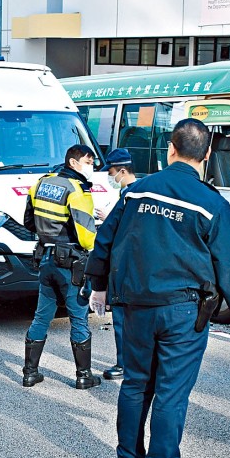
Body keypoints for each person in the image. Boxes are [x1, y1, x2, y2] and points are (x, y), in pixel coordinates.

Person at [86, 119, 230, 458]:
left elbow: (104, 241)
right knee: (171, 389)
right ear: (207, 154)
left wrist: (98, 287)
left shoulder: (136, 193)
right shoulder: (212, 203)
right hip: (184, 311)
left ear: (170, 150)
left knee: (135, 384)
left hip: (134, 305)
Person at [21, 143, 100, 390]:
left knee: (42, 316)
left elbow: (28, 222)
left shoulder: (41, 183)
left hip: (45, 258)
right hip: (71, 263)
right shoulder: (78, 190)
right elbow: (87, 237)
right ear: (73, 163)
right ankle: (83, 376)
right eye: (89, 162)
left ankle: (30, 372)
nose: (92, 167)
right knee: (78, 317)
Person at [95, 148, 137, 381]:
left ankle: (124, 364)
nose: (110, 177)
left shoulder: (130, 194)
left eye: (111, 172)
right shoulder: (137, 192)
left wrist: (108, 221)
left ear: (122, 170)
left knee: (122, 319)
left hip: (125, 269)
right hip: (139, 269)